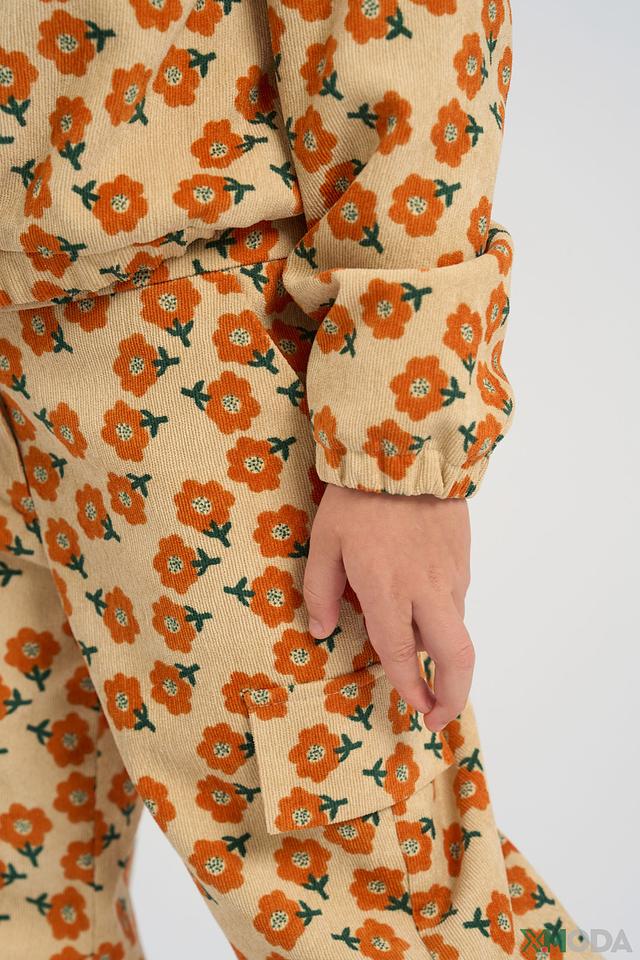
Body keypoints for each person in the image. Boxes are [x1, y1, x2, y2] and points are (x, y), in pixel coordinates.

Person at [0, 2, 601, 958]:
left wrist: (400, 447)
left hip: (197, 340)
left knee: (378, 910)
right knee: (26, 897)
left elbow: (410, 24)